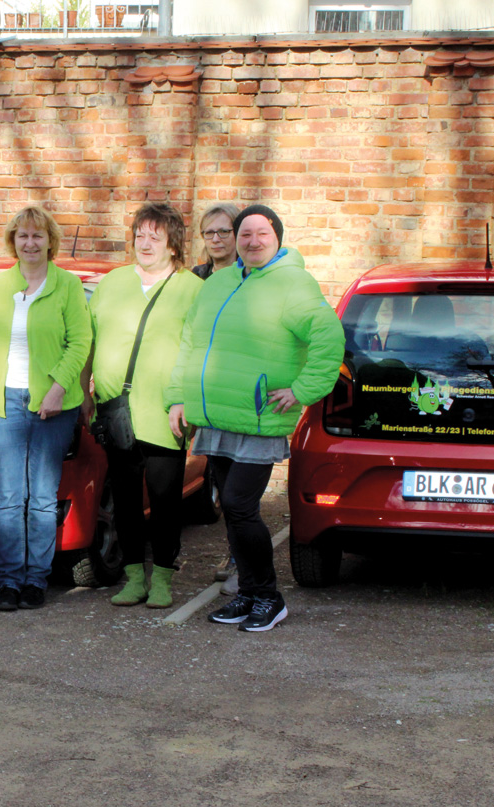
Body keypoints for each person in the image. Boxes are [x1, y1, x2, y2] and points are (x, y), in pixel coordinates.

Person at [167, 204, 343, 632]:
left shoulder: (293, 283)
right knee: (235, 512)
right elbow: (191, 340)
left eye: (261, 233)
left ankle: (268, 596)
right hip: (217, 416)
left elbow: (328, 336)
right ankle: (247, 593)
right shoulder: (219, 282)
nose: (252, 241)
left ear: (277, 237)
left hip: (260, 417)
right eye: (244, 234)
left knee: (239, 506)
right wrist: (178, 397)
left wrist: (302, 390)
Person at [0, 205, 93, 612]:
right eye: (23, 235)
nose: (30, 242)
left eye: (38, 235)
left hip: (52, 406)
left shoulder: (68, 286)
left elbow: (80, 342)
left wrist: (58, 388)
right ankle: (8, 582)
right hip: (5, 402)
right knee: (8, 496)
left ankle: (36, 581)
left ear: (50, 240)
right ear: (13, 241)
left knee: (41, 496)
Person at [90, 203, 203, 610]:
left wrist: (188, 400)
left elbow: (200, 351)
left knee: (166, 499)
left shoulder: (192, 288)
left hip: (166, 411)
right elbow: (89, 337)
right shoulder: (112, 282)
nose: (146, 243)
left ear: (173, 244)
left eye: (156, 236)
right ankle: (134, 577)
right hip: (116, 410)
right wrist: (87, 392)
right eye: (140, 235)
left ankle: (164, 579)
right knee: (124, 499)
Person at [192, 202, 242, 591]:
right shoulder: (196, 279)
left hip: (240, 392)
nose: (217, 239)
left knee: (239, 485)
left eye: (224, 231)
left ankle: (241, 556)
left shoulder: (251, 275)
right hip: (204, 393)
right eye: (210, 232)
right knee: (220, 475)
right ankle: (236, 549)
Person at [192, 203, 240, 280]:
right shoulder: (197, 276)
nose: (215, 240)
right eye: (209, 233)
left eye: (224, 231)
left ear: (237, 233)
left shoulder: (248, 276)